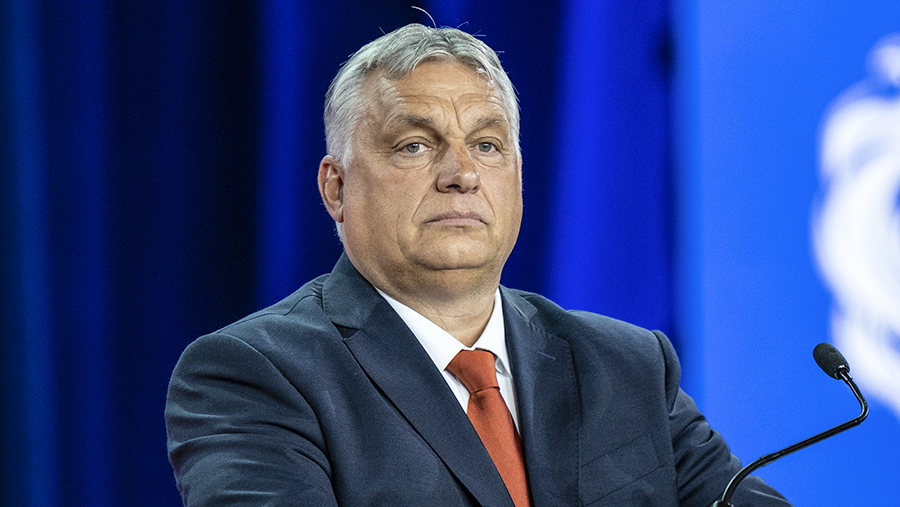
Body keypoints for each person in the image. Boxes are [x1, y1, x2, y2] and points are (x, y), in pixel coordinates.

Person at [165, 23, 791, 506]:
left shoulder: (627, 366)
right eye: (415, 145)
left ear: (517, 178)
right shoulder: (253, 375)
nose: (461, 174)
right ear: (336, 187)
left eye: (487, 145)